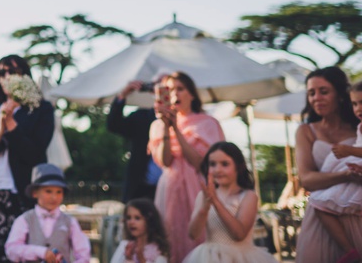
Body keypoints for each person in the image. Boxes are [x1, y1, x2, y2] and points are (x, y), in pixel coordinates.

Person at [0, 55, 55, 263]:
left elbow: (35, 154)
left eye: (14, 71)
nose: (8, 76)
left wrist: (11, 125)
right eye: (2, 72)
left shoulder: (40, 109)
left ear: (25, 75)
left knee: (24, 253)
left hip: (22, 192)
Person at [148, 71, 224, 263]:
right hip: (169, 189)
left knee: (200, 236)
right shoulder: (157, 126)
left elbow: (199, 162)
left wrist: (176, 129)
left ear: (191, 94)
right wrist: (166, 126)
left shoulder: (207, 123)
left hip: (197, 187)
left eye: (180, 89)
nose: (175, 94)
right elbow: (165, 161)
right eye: (170, 90)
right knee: (170, 235)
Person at [295, 66, 362, 263]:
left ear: (340, 95)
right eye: (311, 93)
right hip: (323, 219)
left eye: (323, 91)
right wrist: (346, 176)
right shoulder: (306, 131)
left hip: (356, 210)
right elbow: (306, 179)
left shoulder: (357, 130)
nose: (316, 98)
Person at [183, 141, 273, 263]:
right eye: (212, 164)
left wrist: (215, 201)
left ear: (238, 167)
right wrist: (204, 208)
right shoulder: (203, 196)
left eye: (225, 164)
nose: (217, 169)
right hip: (209, 257)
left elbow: (239, 234)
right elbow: (193, 235)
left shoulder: (248, 196)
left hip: (241, 257)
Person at [4, 162, 90, 263]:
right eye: (48, 191)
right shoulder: (24, 220)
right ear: (35, 193)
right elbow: (11, 250)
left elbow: (83, 255)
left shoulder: (70, 222)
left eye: (59, 192)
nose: (54, 197)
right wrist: (40, 252)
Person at [107, 80, 159, 202]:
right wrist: (123, 95)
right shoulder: (142, 117)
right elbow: (114, 125)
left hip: (172, 188)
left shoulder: (184, 120)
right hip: (140, 188)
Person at [109, 198, 169, 263]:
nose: (131, 222)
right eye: (129, 218)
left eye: (137, 218)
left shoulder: (158, 251)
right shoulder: (124, 245)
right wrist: (128, 258)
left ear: (149, 221)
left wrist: (142, 259)